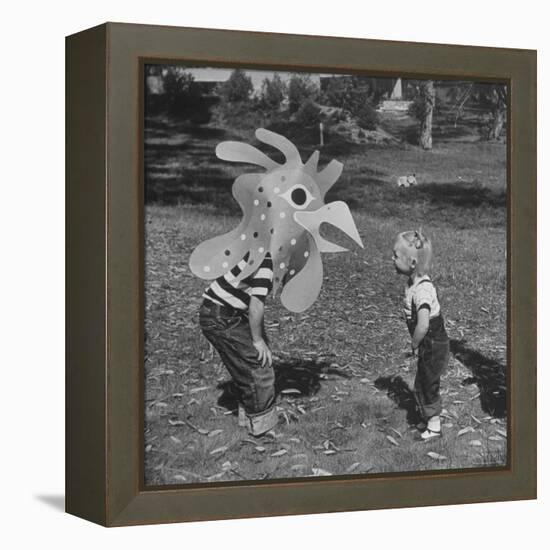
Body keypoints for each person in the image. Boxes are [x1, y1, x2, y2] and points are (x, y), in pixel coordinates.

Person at [199, 251, 277, 437]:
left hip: (218, 312)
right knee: (258, 368)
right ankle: (263, 430)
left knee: (245, 365)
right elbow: (256, 305)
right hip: (222, 317)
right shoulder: (266, 262)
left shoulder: (255, 252)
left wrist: (261, 339)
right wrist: (257, 341)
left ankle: (247, 419)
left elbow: (253, 305)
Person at [392, 230, 450, 441]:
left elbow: (424, 324)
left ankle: (434, 426)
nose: (392, 259)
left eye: (396, 256)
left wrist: (414, 343)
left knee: (427, 383)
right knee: (422, 381)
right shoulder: (412, 284)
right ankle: (427, 418)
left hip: (433, 344)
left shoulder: (423, 290)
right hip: (429, 344)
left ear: (413, 262)